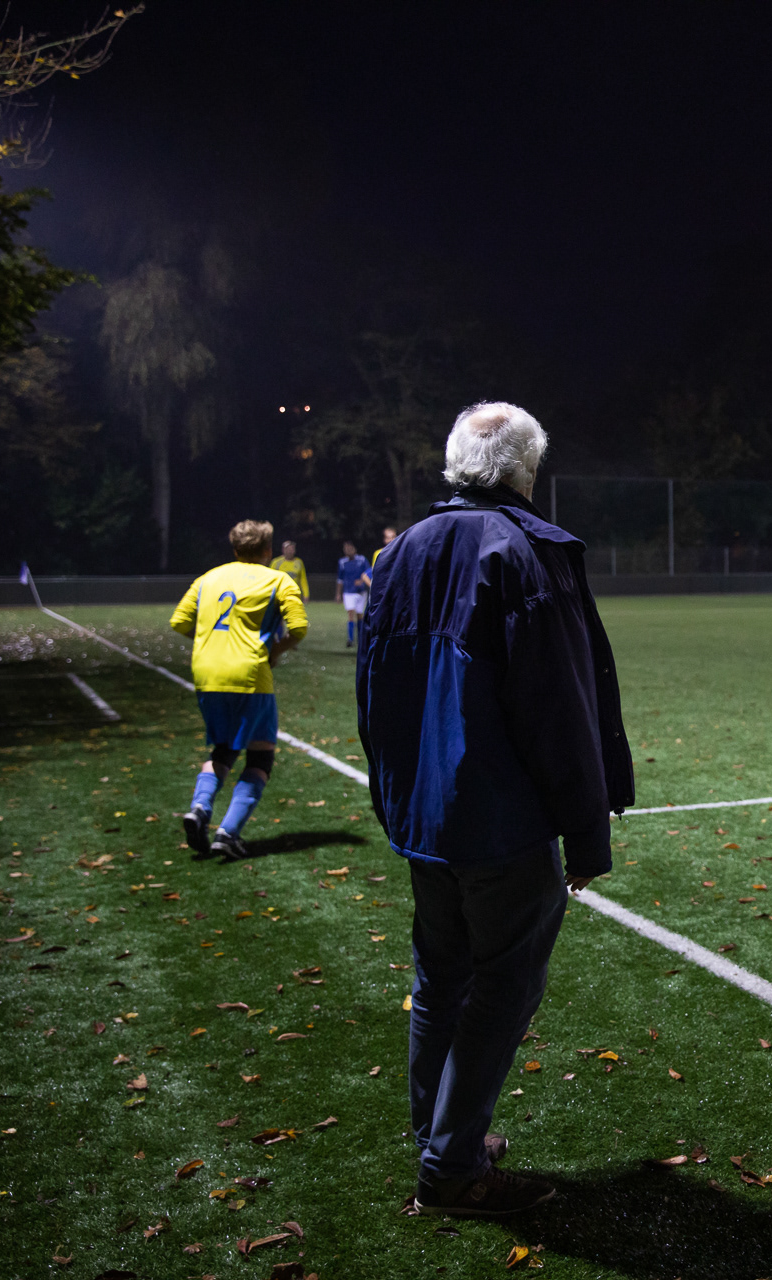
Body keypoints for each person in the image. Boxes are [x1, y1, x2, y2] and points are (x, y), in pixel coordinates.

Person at [358, 402, 633, 1218]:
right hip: (500, 820)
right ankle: (450, 1166)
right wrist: (586, 833)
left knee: (441, 979)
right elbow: (558, 708)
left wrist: (397, 799)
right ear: (525, 470)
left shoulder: (402, 550)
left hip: (425, 817)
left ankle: (439, 1134)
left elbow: (371, 692)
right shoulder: (523, 551)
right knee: (502, 988)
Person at [170, 519, 308, 862]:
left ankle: (200, 808)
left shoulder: (208, 578)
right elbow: (299, 628)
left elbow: (180, 621)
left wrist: (209, 644)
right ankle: (228, 833)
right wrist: (275, 651)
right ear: (268, 550)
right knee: (260, 755)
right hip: (249, 674)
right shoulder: (278, 579)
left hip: (207, 674)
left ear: (234, 549)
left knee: (225, 747)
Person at [336, 541, 369, 647]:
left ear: (355, 549)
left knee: (360, 615)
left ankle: (360, 639)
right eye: (346, 549)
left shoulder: (362, 559)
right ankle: (350, 639)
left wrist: (361, 581)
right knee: (350, 613)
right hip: (348, 592)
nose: (348, 551)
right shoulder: (342, 562)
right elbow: (340, 579)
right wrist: (338, 594)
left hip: (361, 592)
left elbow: (368, 573)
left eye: (350, 548)